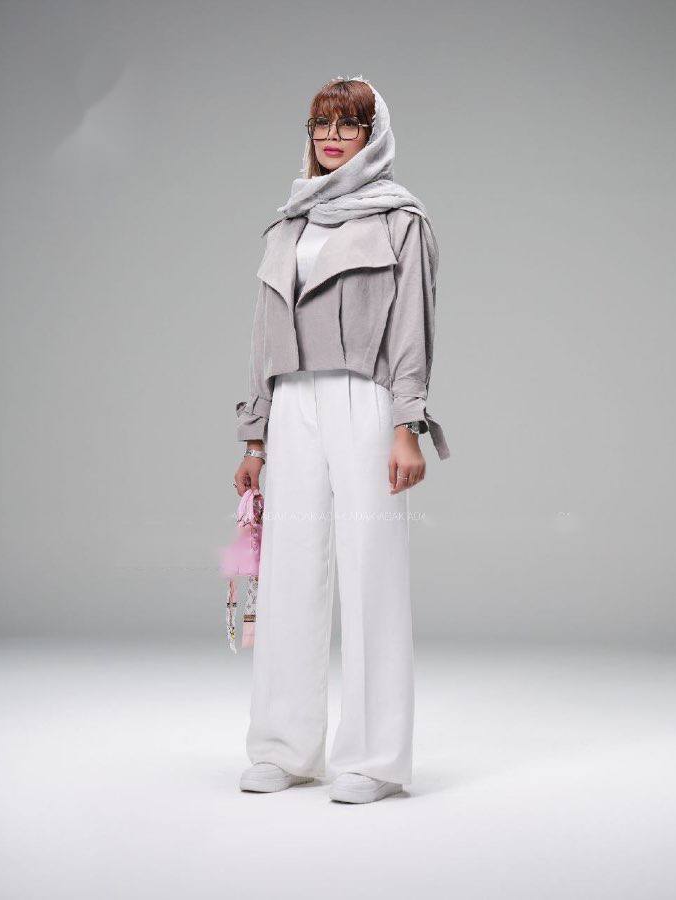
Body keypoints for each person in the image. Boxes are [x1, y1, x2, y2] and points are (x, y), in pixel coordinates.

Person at [233, 75, 450, 804]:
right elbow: (264, 336)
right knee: (288, 570)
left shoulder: (400, 220)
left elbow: (414, 327)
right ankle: (285, 748)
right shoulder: (287, 223)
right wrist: (255, 439)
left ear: (372, 134)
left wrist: (407, 424)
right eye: (321, 124)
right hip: (292, 401)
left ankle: (375, 760)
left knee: (371, 568)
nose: (331, 137)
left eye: (348, 124)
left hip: (367, 396)